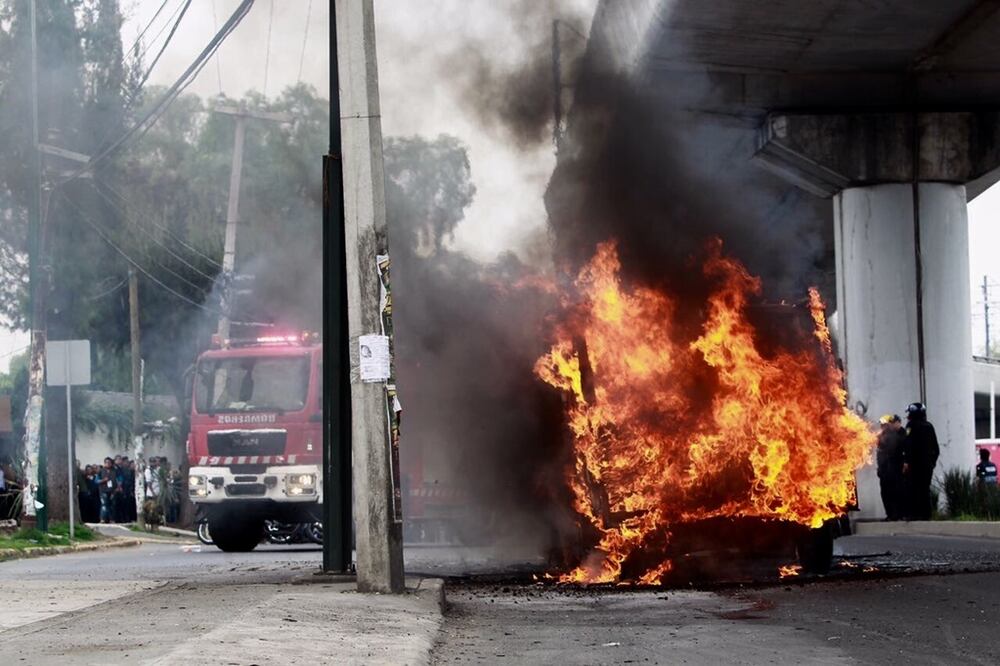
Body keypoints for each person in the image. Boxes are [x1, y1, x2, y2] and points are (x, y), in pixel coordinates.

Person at [902, 402, 940, 520]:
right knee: (925, 489)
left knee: (913, 489)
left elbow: (908, 445)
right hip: (927, 466)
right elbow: (936, 448)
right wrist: (932, 463)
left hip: (914, 465)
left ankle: (914, 515)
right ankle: (926, 515)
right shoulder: (929, 426)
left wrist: (906, 462)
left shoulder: (910, 426)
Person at [876, 414, 905, 520]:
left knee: (896, 492)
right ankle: (890, 515)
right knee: (885, 493)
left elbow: (897, 451)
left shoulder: (898, 435)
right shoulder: (881, 437)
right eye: (882, 425)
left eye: (885, 424)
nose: (882, 426)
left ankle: (898, 514)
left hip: (895, 470)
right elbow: (879, 454)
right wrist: (880, 469)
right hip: (884, 471)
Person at [98, 457, 118, 523]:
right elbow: (96, 481)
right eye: (106, 462)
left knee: (112, 505)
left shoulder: (115, 470)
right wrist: (103, 480)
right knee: (104, 505)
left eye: (109, 463)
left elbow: (120, 479)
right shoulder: (101, 471)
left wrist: (119, 486)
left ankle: (112, 519)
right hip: (103, 490)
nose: (108, 464)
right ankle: (102, 519)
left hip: (112, 491)